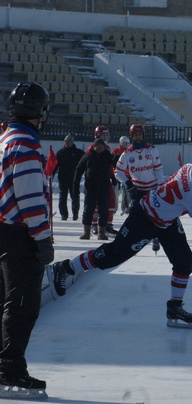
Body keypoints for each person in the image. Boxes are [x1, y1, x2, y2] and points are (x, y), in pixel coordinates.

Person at [50, 147, 192, 329]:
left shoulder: (190, 167)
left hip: (165, 219)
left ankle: (175, 308)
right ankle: (66, 268)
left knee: (184, 261)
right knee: (113, 255)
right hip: (144, 218)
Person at [0, 82, 54, 397]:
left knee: (5, 298)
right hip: (19, 234)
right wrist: (43, 238)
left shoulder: (6, 137)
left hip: (3, 229)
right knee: (22, 303)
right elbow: (30, 196)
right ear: (39, 111)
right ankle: (10, 369)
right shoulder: (26, 144)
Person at [115, 124, 164, 252]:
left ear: (143, 135)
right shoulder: (127, 154)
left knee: (155, 214)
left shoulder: (152, 150)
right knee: (134, 216)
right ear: (131, 136)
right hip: (136, 190)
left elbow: (158, 169)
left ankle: (156, 238)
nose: (138, 137)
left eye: (140, 134)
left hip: (152, 188)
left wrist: (160, 185)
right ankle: (129, 242)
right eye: (135, 134)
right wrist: (128, 183)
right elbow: (117, 172)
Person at [73, 138, 115, 240]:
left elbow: (115, 167)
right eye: (97, 146)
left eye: (101, 146)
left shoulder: (108, 156)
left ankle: (102, 233)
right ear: (94, 147)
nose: (99, 148)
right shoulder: (87, 156)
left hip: (104, 188)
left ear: (104, 147)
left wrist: (114, 179)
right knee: (88, 210)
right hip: (90, 188)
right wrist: (75, 185)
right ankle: (86, 232)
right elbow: (78, 171)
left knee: (103, 211)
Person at [88, 125, 118, 236]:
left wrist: (112, 176)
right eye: (103, 135)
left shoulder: (107, 148)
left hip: (106, 180)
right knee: (95, 203)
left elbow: (108, 165)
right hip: (96, 180)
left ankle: (108, 225)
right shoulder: (92, 148)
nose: (106, 137)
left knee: (110, 202)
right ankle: (94, 224)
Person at [53, 134, 85, 221]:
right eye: (65, 141)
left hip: (74, 179)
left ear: (72, 142)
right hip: (63, 178)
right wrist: (51, 175)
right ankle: (64, 214)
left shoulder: (79, 153)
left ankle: (75, 214)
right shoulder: (60, 153)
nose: (67, 143)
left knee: (75, 197)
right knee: (62, 197)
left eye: (69, 142)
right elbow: (55, 166)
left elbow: (85, 163)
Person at [112, 135, 131, 215]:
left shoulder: (129, 151)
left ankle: (125, 207)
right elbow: (112, 163)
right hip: (116, 173)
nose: (126, 145)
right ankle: (114, 208)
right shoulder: (116, 151)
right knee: (115, 191)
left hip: (125, 174)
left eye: (127, 144)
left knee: (125, 191)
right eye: (124, 143)